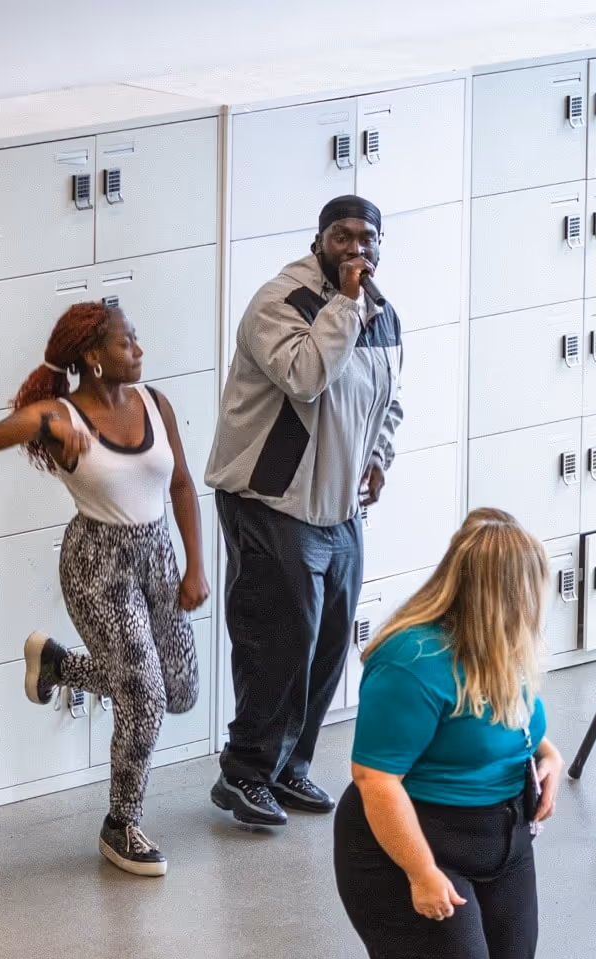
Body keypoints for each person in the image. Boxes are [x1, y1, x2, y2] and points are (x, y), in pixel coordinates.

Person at [288, 509, 562, 959]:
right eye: (530, 588)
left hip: (500, 832)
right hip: (408, 835)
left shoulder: (509, 645)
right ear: (499, 592)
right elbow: (375, 779)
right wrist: (420, 871)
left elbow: (521, 727)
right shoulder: (413, 660)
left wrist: (547, 757)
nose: (539, 602)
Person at [0, 303, 207, 876]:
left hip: (157, 556)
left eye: (137, 340)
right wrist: (48, 425)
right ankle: (120, 824)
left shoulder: (156, 403)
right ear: (94, 357)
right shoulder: (61, 412)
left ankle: (59, 665)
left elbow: (181, 484)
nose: (139, 351)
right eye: (127, 343)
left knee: (179, 690)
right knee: (145, 697)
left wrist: (195, 567)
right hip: (97, 565)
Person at [205, 194, 402, 828]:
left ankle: (289, 766)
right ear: (319, 241)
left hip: (340, 508)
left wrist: (379, 458)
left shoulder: (382, 314)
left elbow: (389, 399)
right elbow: (306, 375)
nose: (356, 248)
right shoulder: (280, 303)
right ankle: (244, 772)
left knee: (328, 644)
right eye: (342, 236)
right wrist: (344, 303)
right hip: (272, 501)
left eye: (367, 238)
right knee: (278, 641)